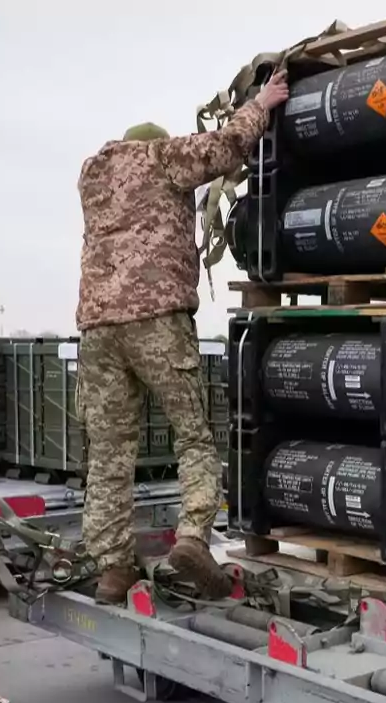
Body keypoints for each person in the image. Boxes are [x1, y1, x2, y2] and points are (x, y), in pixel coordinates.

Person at [75, 71, 290, 605]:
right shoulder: (161, 158)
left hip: (98, 328)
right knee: (193, 435)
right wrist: (261, 104)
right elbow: (224, 147)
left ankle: (112, 569)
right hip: (156, 319)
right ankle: (193, 538)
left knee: (108, 455)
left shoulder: (92, 176)